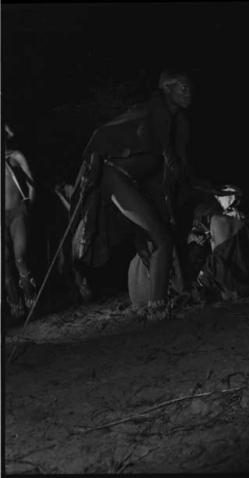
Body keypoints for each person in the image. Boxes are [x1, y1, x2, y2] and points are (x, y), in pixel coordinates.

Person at [71, 69, 192, 317]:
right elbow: (103, 135)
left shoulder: (177, 121)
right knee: (162, 239)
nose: (188, 92)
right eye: (182, 87)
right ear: (167, 89)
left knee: (155, 236)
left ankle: (159, 294)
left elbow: (177, 167)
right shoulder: (153, 112)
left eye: (190, 87)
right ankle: (156, 307)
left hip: (136, 184)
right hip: (116, 177)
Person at [3, 123, 37, 320]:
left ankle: (29, 295)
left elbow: (31, 183)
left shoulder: (15, 156)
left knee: (19, 257)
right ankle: (15, 304)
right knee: (4, 261)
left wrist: (28, 207)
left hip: (17, 212)